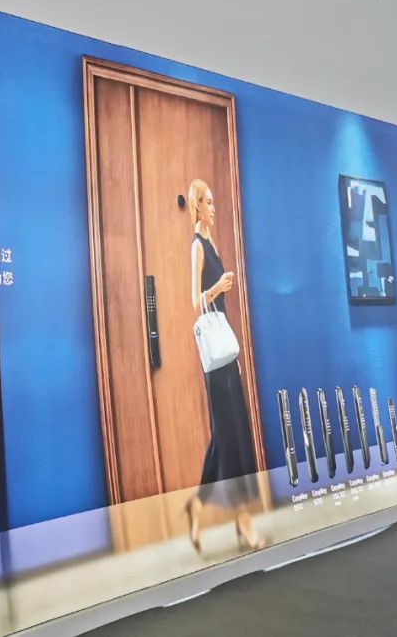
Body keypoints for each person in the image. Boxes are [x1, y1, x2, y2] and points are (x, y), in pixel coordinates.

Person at [182, 178, 265, 552]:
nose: (214, 208)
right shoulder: (197, 246)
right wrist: (218, 288)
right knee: (229, 436)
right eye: (210, 203)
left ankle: (197, 507)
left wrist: (236, 357)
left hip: (225, 353)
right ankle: (243, 521)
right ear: (198, 206)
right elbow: (193, 302)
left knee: (227, 436)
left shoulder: (212, 242)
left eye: (215, 202)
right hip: (213, 363)